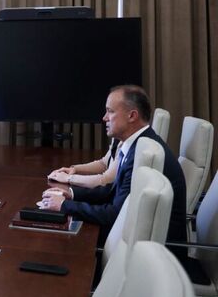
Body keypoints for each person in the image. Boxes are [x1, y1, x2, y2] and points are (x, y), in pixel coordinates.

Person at [41, 85, 187, 252]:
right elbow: (113, 191)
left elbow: (115, 213)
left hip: (157, 255)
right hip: (139, 242)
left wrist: (65, 206)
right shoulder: (137, 144)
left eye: (110, 111)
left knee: (60, 247)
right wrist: (72, 195)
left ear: (132, 116)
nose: (104, 118)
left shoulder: (144, 154)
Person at [47, 138, 121, 188]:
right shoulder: (117, 138)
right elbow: (104, 164)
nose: (105, 118)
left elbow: (106, 181)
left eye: (111, 113)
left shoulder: (128, 145)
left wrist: (68, 178)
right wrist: (75, 169)